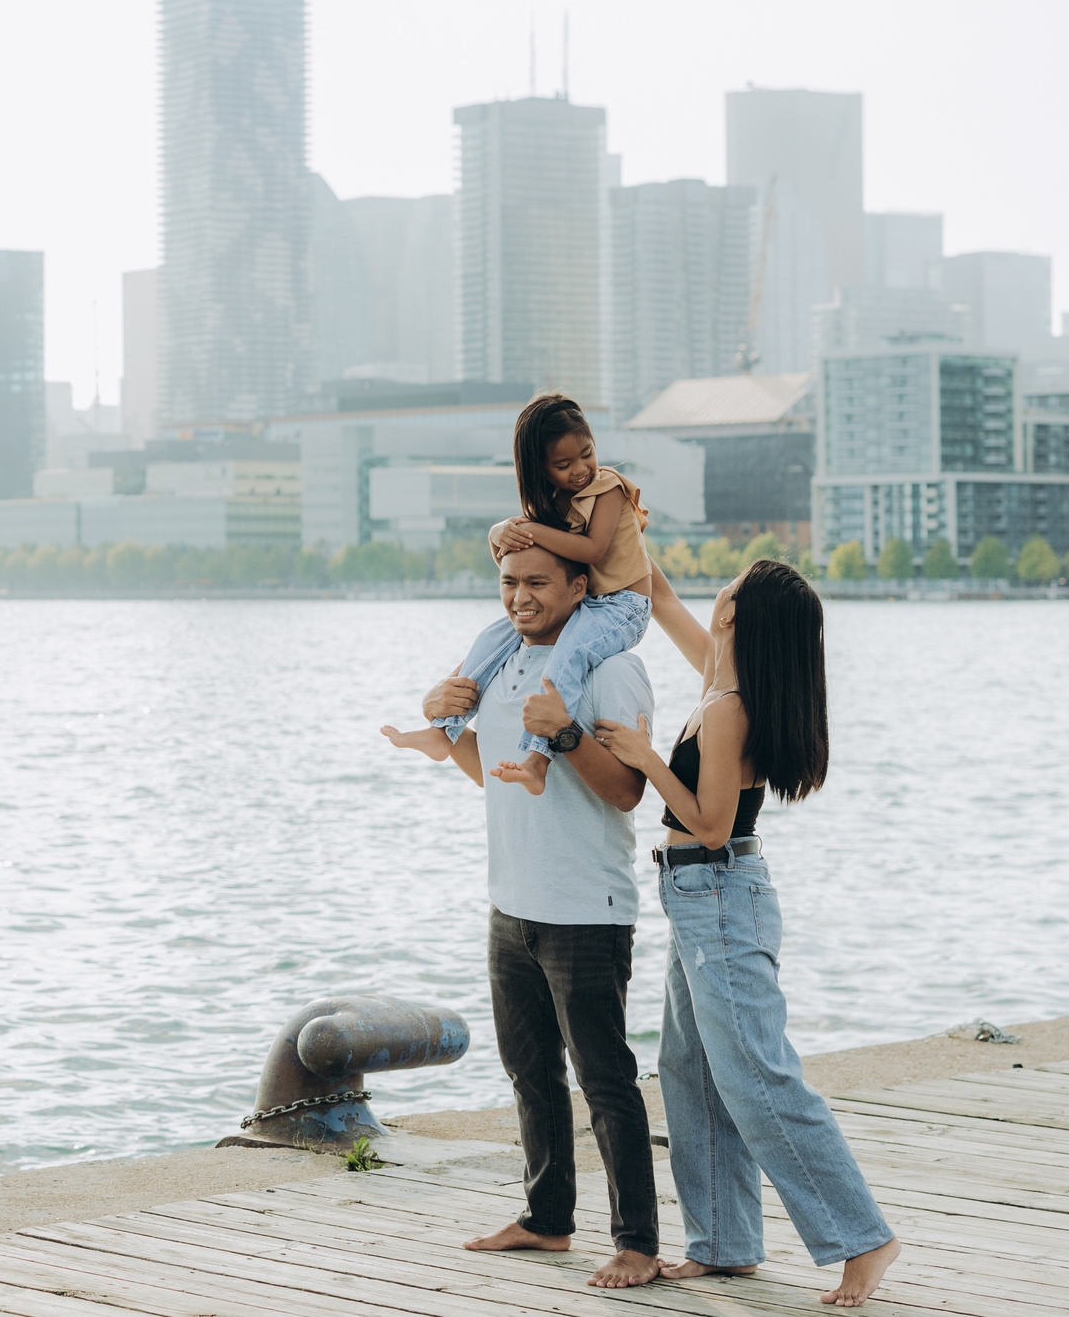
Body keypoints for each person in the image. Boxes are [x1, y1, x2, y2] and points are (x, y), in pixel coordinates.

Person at [589, 555, 903, 1308]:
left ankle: (864, 1237)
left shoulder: (728, 704)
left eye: (727, 585)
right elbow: (658, 594)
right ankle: (724, 1243)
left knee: (756, 1076)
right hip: (698, 897)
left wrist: (643, 759)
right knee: (690, 1070)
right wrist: (628, 544)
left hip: (720, 891)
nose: (715, 591)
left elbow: (709, 820)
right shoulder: (722, 680)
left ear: (735, 612)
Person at [380, 540, 662, 1289]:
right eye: (509, 582)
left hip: (585, 909)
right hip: (511, 903)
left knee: (605, 1081)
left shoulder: (610, 667)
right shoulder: (503, 658)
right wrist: (447, 732)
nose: (520, 597)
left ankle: (637, 1242)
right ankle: (547, 1221)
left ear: (580, 586)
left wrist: (565, 734)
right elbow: (495, 774)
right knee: (530, 1072)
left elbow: (630, 791)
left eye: (538, 582)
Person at [382, 395, 652, 796]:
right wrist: (499, 533)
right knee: (493, 637)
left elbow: (593, 551)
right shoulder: (552, 506)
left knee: (569, 655)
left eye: (586, 454)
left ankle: (538, 759)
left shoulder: (607, 487)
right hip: (587, 605)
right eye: (564, 465)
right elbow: (520, 566)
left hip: (623, 606)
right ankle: (445, 730)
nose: (580, 470)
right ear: (541, 468)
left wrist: (531, 529)